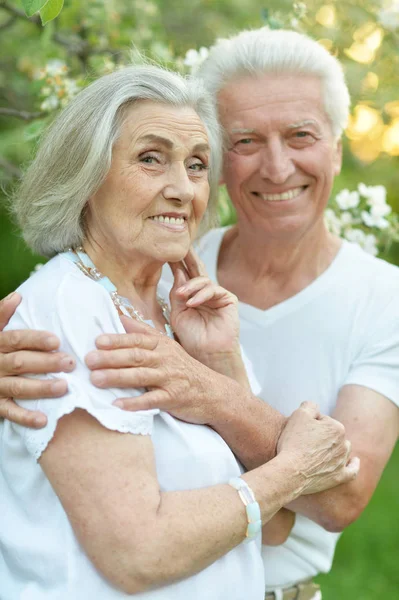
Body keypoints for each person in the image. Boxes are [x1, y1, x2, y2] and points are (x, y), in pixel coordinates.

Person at [1, 27, 397, 599]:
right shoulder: (80, 304)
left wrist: (218, 371)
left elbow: (296, 516)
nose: (181, 189)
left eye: (193, 164)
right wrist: (292, 466)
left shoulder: (184, 300)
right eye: (150, 159)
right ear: (86, 174)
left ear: (338, 145)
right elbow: (137, 552)